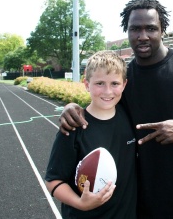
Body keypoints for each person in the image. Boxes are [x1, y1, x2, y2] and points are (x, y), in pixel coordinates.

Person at [59, 0, 173, 219]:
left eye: (151, 28)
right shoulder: (124, 80)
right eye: (135, 29)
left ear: (162, 30)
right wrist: (72, 107)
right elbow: (101, 108)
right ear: (127, 31)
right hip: (148, 206)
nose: (143, 36)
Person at [45, 50, 137, 219]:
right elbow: (53, 181)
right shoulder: (73, 126)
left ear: (124, 85)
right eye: (100, 83)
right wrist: (81, 203)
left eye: (115, 84)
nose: (108, 91)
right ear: (86, 84)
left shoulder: (129, 116)